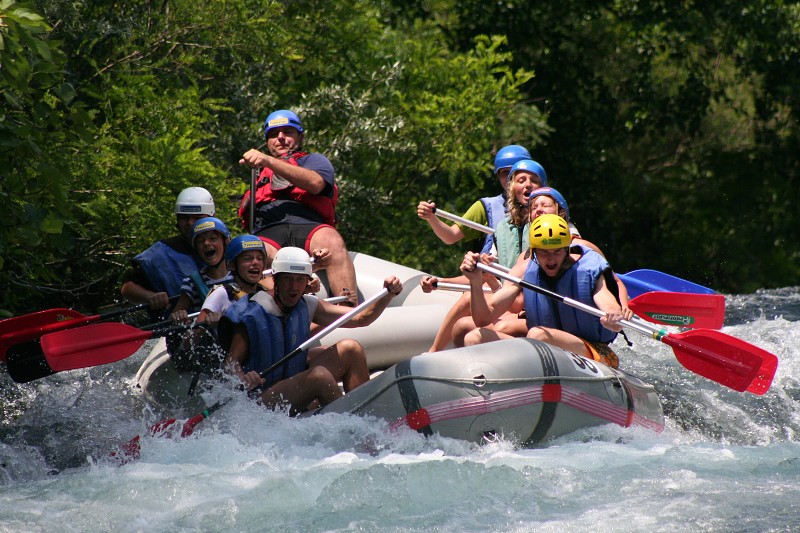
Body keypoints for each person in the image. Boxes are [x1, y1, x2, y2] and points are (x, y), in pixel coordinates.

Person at [220, 247, 403, 414]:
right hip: (261, 398)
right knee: (319, 376)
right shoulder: (253, 314)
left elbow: (361, 318)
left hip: (295, 384)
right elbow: (231, 362)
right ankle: (352, 428)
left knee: (350, 349)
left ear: (307, 281)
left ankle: (367, 416)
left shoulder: (308, 305)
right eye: (288, 279)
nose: (294, 287)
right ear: (276, 279)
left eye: (300, 279)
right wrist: (243, 378)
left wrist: (388, 295)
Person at [457, 214, 630, 368]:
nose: (551, 259)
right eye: (544, 252)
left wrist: (613, 317)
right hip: (542, 348)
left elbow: (609, 305)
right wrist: (475, 281)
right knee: (474, 338)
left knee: (538, 334)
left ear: (567, 249)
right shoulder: (524, 271)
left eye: (557, 251)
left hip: (594, 352)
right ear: (533, 251)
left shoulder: (587, 270)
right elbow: (483, 318)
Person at [421, 158, 542, 351]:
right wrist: (444, 280)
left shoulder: (554, 229)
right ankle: (434, 353)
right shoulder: (503, 228)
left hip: (532, 307)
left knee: (484, 317)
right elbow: (452, 237)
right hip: (510, 298)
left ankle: (435, 352)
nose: (527, 185)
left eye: (533, 180)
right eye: (510, 175)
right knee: (461, 325)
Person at [237, 109, 357, 304]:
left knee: (331, 240)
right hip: (269, 230)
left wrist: (268, 161)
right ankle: (275, 309)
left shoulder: (314, 161)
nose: (280, 137)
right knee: (254, 253)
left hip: (310, 226)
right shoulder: (257, 176)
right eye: (274, 134)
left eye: (288, 132)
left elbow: (316, 184)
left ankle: (348, 309)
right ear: (268, 142)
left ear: (300, 137)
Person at [417, 146, 544, 254]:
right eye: (505, 173)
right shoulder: (486, 207)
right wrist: (431, 218)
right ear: (498, 176)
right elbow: (450, 236)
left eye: (515, 173)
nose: (510, 178)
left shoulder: (548, 205)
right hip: (496, 274)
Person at [120, 187, 215, 311]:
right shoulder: (159, 254)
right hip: (181, 319)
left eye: (197, 217)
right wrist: (150, 296)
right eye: (184, 218)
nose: (190, 223)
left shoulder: (226, 247)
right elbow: (127, 289)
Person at [169, 217, 234, 322]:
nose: (206, 243)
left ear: (226, 242)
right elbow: (172, 321)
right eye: (200, 241)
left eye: (213, 239)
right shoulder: (192, 282)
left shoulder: (240, 274)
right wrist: (178, 316)